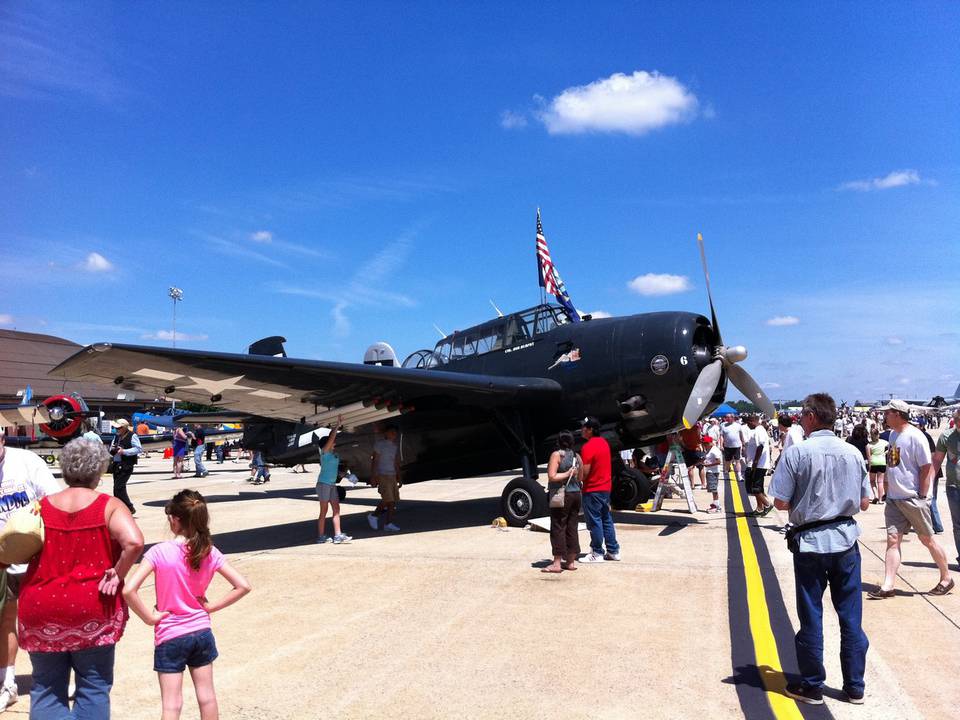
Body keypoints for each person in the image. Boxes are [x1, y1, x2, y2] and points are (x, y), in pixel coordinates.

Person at [17, 437, 143, 718]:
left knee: (46, 687)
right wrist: (117, 573)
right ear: (98, 470)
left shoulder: (41, 506)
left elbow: (18, 544)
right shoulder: (109, 506)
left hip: (41, 607)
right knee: (93, 686)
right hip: (92, 607)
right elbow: (134, 543)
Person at [769, 393, 871, 705]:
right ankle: (855, 686)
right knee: (850, 618)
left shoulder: (798, 453)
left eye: (802, 413)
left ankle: (812, 685)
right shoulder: (852, 453)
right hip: (845, 542)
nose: (800, 418)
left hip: (811, 544)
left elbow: (780, 502)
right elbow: (865, 502)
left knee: (812, 615)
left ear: (812, 416)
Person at [124, 490, 251, 720]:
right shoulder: (208, 551)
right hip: (201, 631)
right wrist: (211, 608)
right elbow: (243, 585)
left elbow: (128, 589)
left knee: (172, 705)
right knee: (207, 697)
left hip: (170, 634)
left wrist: (149, 618)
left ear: (175, 520)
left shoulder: (159, 552)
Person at [868, 400, 953, 598]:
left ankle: (946, 577)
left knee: (927, 539)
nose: (884, 417)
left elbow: (926, 467)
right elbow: (893, 463)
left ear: (897, 414)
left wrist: (923, 496)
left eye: (887, 413)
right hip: (895, 499)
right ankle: (888, 585)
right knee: (892, 540)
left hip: (913, 497)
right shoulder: (893, 435)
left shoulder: (916, 436)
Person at [578, 417, 620, 563]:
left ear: (590, 430)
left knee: (594, 521)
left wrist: (576, 476)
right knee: (606, 519)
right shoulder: (604, 443)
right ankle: (613, 550)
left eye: (584, 427)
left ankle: (597, 552)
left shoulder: (587, 447)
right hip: (605, 488)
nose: (581, 429)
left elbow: (586, 472)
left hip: (592, 489)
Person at [542, 432, 582, 573]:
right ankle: (570, 562)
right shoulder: (577, 457)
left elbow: (552, 476)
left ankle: (557, 563)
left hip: (561, 494)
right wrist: (572, 473)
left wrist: (565, 474)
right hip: (576, 493)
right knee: (572, 525)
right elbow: (581, 476)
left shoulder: (556, 455)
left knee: (558, 526)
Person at [931, 408, 960, 568]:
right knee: (958, 525)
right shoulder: (947, 436)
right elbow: (937, 460)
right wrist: (930, 482)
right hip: (953, 487)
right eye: (957, 420)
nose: (958, 423)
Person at [314, 419, 351, 544]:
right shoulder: (324, 453)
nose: (334, 443)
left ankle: (338, 535)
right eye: (332, 443)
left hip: (331, 485)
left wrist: (348, 476)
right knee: (323, 511)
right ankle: (321, 536)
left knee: (336, 509)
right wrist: (337, 426)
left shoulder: (334, 456)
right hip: (323, 484)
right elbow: (331, 438)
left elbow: (335, 472)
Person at [369, 426, 401, 532]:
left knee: (393, 501)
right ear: (386, 433)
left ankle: (388, 523)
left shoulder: (395, 446)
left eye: (395, 432)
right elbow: (375, 461)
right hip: (383, 475)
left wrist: (399, 477)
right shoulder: (380, 444)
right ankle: (374, 516)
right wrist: (374, 476)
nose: (394, 434)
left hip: (392, 475)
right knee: (388, 499)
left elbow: (396, 463)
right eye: (391, 432)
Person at [109, 418, 142, 515]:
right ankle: (119, 508)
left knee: (119, 487)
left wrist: (124, 451)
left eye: (118, 428)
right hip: (116, 464)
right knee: (116, 489)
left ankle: (129, 507)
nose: (116, 429)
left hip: (126, 464)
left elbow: (138, 449)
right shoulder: (116, 437)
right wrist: (113, 450)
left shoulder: (132, 436)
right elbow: (111, 447)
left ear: (124, 428)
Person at [743, 414, 773, 516]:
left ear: (752, 421)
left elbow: (760, 446)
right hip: (756, 463)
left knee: (754, 488)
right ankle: (759, 508)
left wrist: (755, 462)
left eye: (748, 423)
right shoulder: (758, 430)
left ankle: (767, 504)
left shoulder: (759, 430)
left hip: (758, 464)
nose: (747, 425)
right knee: (757, 488)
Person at [719, 413, 744, 483]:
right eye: (726, 417)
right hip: (727, 446)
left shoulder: (738, 425)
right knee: (727, 461)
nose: (727, 419)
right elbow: (721, 436)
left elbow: (741, 435)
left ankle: (739, 475)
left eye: (728, 417)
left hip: (737, 446)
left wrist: (743, 443)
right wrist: (721, 445)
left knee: (737, 460)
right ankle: (727, 472)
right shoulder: (723, 425)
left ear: (732, 418)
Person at [866, 427, 887, 504]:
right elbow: (892, 445)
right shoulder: (884, 442)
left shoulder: (869, 445)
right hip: (882, 462)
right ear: (878, 434)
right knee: (880, 482)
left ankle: (875, 496)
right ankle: (881, 499)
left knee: (872, 481)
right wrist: (885, 453)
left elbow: (869, 456)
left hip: (873, 462)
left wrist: (869, 465)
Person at [701, 435, 723, 513]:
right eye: (703, 443)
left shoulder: (714, 450)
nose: (704, 445)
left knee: (714, 489)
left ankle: (717, 506)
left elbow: (718, 461)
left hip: (713, 472)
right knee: (712, 489)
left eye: (705, 443)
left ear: (710, 443)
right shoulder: (709, 449)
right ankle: (715, 503)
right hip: (710, 471)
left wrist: (708, 465)